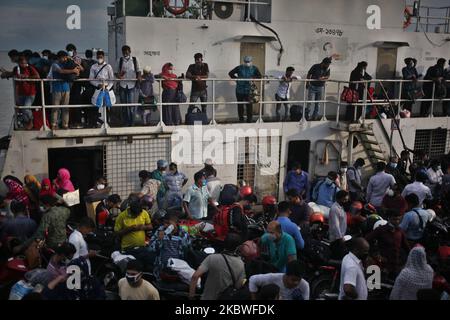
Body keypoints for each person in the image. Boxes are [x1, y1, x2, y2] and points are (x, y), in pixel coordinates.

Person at [189, 233, 246, 300]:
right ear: (238, 247)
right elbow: (238, 285)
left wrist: (191, 296)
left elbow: (195, 276)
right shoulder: (240, 264)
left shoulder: (212, 258)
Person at [366, 209, 410, 277]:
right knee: (377, 283)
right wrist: (376, 254)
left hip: (395, 264)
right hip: (382, 264)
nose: (397, 222)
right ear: (389, 218)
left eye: (398, 220)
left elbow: (406, 246)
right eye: (394, 219)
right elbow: (367, 240)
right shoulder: (381, 230)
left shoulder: (400, 231)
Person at [114, 199, 153, 269]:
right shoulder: (121, 216)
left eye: (138, 214)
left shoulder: (144, 213)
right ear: (130, 211)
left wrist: (142, 227)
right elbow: (116, 233)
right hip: (128, 249)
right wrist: (130, 229)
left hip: (142, 247)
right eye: (135, 215)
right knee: (132, 268)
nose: (137, 216)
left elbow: (150, 226)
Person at [49, 50, 80, 130]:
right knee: (56, 108)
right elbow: (61, 71)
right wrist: (73, 71)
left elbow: (77, 70)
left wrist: (76, 70)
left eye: (66, 57)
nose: (66, 59)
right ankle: (54, 124)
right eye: (64, 57)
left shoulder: (68, 64)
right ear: (60, 58)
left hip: (66, 88)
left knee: (65, 108)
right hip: (57, 89)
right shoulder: (55, 65)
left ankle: (65, 124)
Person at [228, 56, 262, 123]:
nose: (247, 63)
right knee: (240, 106)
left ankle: (249, 120)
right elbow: (230, 73)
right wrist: (236, 79)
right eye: (246, 62)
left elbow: (259, 76)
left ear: (251, 62)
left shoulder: (254, 68)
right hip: (239, 90)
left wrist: (253, 78)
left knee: (249, 106)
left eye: (248, 62)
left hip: (249, 90)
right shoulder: (239, 68)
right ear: (244, 62)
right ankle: (241, 120)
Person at [13, 55, 40, 130]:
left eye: (24, 63)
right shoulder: (16, 69)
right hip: (21, 93)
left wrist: (27, 77)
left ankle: (31, 121)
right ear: (19, 63)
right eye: (21, 63)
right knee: (22, 109)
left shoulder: (30, 68)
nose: (23, 65)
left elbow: (37, 76)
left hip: (30, 93)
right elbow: (14, 75)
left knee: (26, 108)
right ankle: (26, 123)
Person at [88, 50, 115, 127]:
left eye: (101, 57)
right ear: (96, 57)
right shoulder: (93, 67)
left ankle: (106, 122)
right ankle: (96, 122)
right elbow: (91, 79)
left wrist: (108, 87)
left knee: (106, 105)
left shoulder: (108, 66)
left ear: (103, 57)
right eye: (98, 57)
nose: (100, 58)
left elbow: (112, 79)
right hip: (97, 89)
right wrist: (98, 85)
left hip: (106, 89)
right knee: (96, 105)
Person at [117, 45, 141, 126]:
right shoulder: (119, 60)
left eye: (127, 52)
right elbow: (116, 73)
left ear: (130, 52)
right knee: (124, 106)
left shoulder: (134, 60)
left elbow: (138, 70)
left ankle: (132, 122)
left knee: (131, 105)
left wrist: (139, 77)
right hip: (122, 85)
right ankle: (125, 122)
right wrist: (120, 75)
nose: (125, 54)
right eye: (124, 52)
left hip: (132, 85)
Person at [328, 191, 350, 259]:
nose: (346, 201)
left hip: (341, 236)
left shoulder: (341, 207)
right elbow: (335, 225)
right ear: (338, 199)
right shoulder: (335, 209)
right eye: (344, 200)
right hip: (336, 239)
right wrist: (340, 238)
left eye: (347, 200)